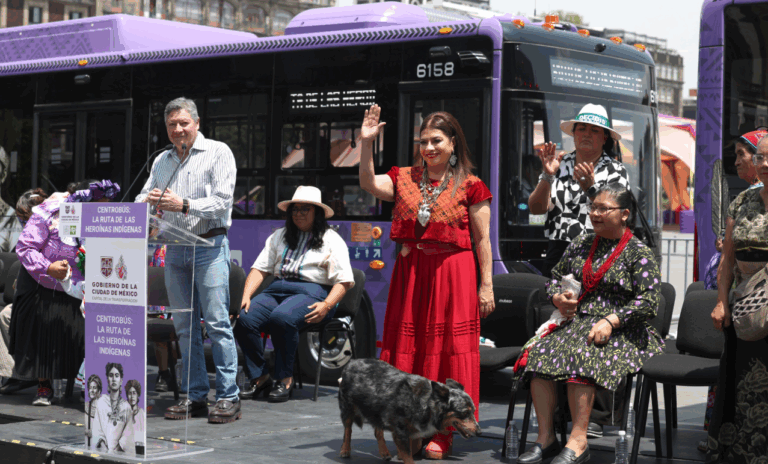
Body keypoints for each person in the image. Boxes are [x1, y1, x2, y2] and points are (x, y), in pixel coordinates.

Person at [358, 105, 494, 460]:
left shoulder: (472, 185)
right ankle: (412, 424)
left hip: (453, 275)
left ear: (453, 143)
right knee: (412, 349)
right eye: (423, 142)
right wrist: (366, 144)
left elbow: (482, 240)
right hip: (413, 274)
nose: (429, 148)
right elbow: (369, 183)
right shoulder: (405, 177)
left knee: (446, 351)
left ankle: (443, 431)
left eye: (436, 140)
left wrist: (487, 286)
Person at [515, 183, 663, 464]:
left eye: (603, 208)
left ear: (624, 214)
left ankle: (578, 441)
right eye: (593, 207)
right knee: (538, 354)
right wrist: (558, 298)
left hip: (623, 329)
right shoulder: (582, 243)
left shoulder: (638, 252)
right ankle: (546, 438)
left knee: (583, 354)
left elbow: (649, 301)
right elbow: (554, 279)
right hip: (578, 322)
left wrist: (611, 320)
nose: (595, 214)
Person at [527, 103, 631, 437]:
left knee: (589, 328)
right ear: (573, 134)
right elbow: (536, 209)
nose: (586, 134)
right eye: (581, 128)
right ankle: (555, 414)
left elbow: (613, 214)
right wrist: (547, 175)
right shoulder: (560, 163)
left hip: (598, 253)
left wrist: (590, 188)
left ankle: (592, 417)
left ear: (604, 138)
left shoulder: (615, 170)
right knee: (557, 325)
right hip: (560, 253)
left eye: (594, 130)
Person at [136, 97, 240, 423]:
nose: (178, 129)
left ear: (196, 123)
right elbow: (143, 196)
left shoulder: (218, 152)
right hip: (175, 249)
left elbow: (222, 201)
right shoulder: (162, 160)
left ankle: (228, 397)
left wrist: (183, 204)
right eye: (172, 125)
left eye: (184, 123)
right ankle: (194, 396)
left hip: (209, 247)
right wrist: (146, 202)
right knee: (184, 327)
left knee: (217, 323)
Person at [234, 185, 354, 402]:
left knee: (283, 318)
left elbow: (344, 281)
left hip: (315, 293)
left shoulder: (332, 239)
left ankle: (284, 379)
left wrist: (327, 305)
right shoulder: (279, 236)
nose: (298, 214)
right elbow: (259, 269)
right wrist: (246, 296)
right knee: (244, 318)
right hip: (277, 288)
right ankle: (260, 377)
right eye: (295, 209)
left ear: (317, 213)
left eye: (305, 209)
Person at [9, 180, 119, 406]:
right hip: (47, 283)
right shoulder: (50, 212)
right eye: (100, 203)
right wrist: (48, 267)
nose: (102, 209)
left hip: (83, 289)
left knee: (85, 338)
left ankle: (88, 385)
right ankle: (44, 386)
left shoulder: (104, 219)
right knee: (44, 334)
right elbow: (25, 246)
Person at [708, 136, 768, 463]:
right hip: (744, 309)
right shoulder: (741, 202)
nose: (764, 164)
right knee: (740, 384)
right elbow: (727, 258)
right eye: (760, 157)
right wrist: (722, 301)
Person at [0, 188, 48, 395]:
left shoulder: (52, 236)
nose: (22, 224)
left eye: (25, 219)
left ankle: (39, 378)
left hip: (51, 299)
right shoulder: (26, 239)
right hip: (30, 297)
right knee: (5, 315)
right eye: (21, 219)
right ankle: (17, 373)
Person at [91, 363, 131, 452]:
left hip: (120, 454)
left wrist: (117, 450)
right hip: (102, 452)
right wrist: (103, 448)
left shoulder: (126, 407)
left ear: (121, 380)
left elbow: (128, 434)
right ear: (107, 380)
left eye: (116, 376)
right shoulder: (101, 402)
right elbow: (97, 429)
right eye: (111, 375)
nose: (113, 379)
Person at [124, 379, 145, 454]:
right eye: (130, 393)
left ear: (138, 395)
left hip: (139, 449)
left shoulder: (141, 413)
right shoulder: (124, 413)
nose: (132, 396)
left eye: (134, 393)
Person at [85, 374, 102, 445]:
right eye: (90, 388)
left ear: (99, 390)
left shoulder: (104, 407)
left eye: (94, 388)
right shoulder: (86, 407)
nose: (92, 390)